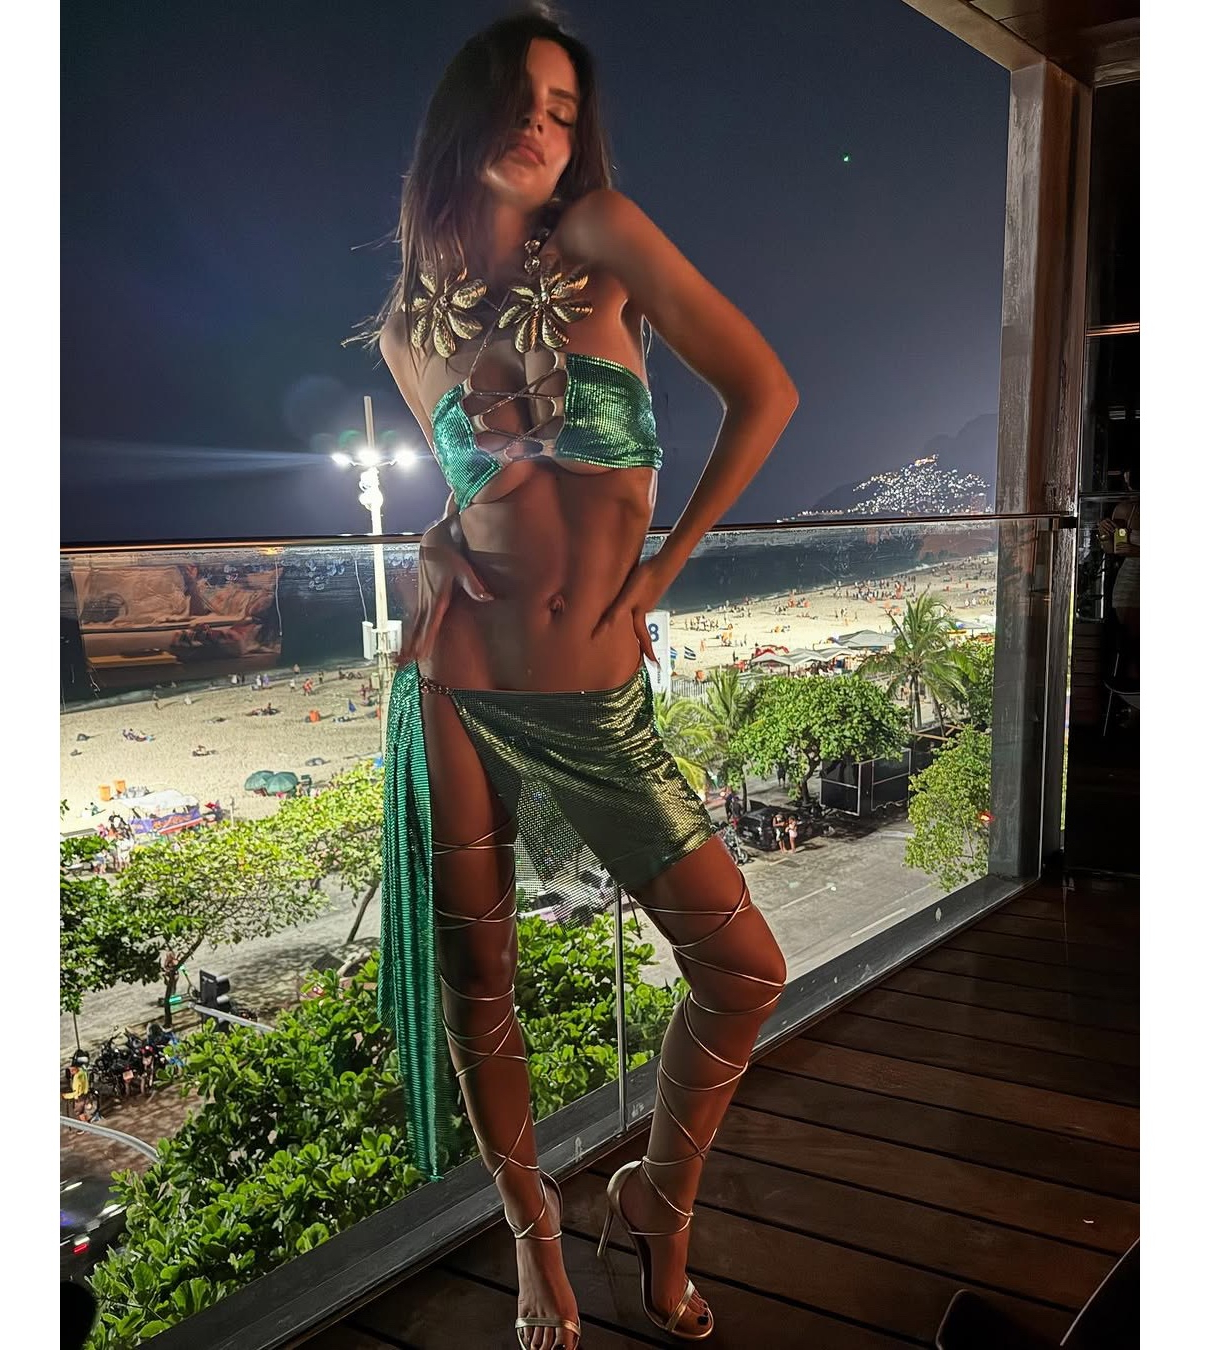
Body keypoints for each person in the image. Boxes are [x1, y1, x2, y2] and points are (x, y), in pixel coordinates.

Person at [363, 13, 794, 1345]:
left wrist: (664, 569)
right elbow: (477, 491)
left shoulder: (603, 234)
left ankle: (657, 1199)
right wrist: (432, 537)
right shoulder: (408, 328)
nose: (541, 127)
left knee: (744, 969)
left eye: (562, 108)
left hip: (597, 696)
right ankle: (534, 1239)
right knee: (478, 981)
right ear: (464, 120)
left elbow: (765, 392)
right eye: (518, 100)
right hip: (458, 681)